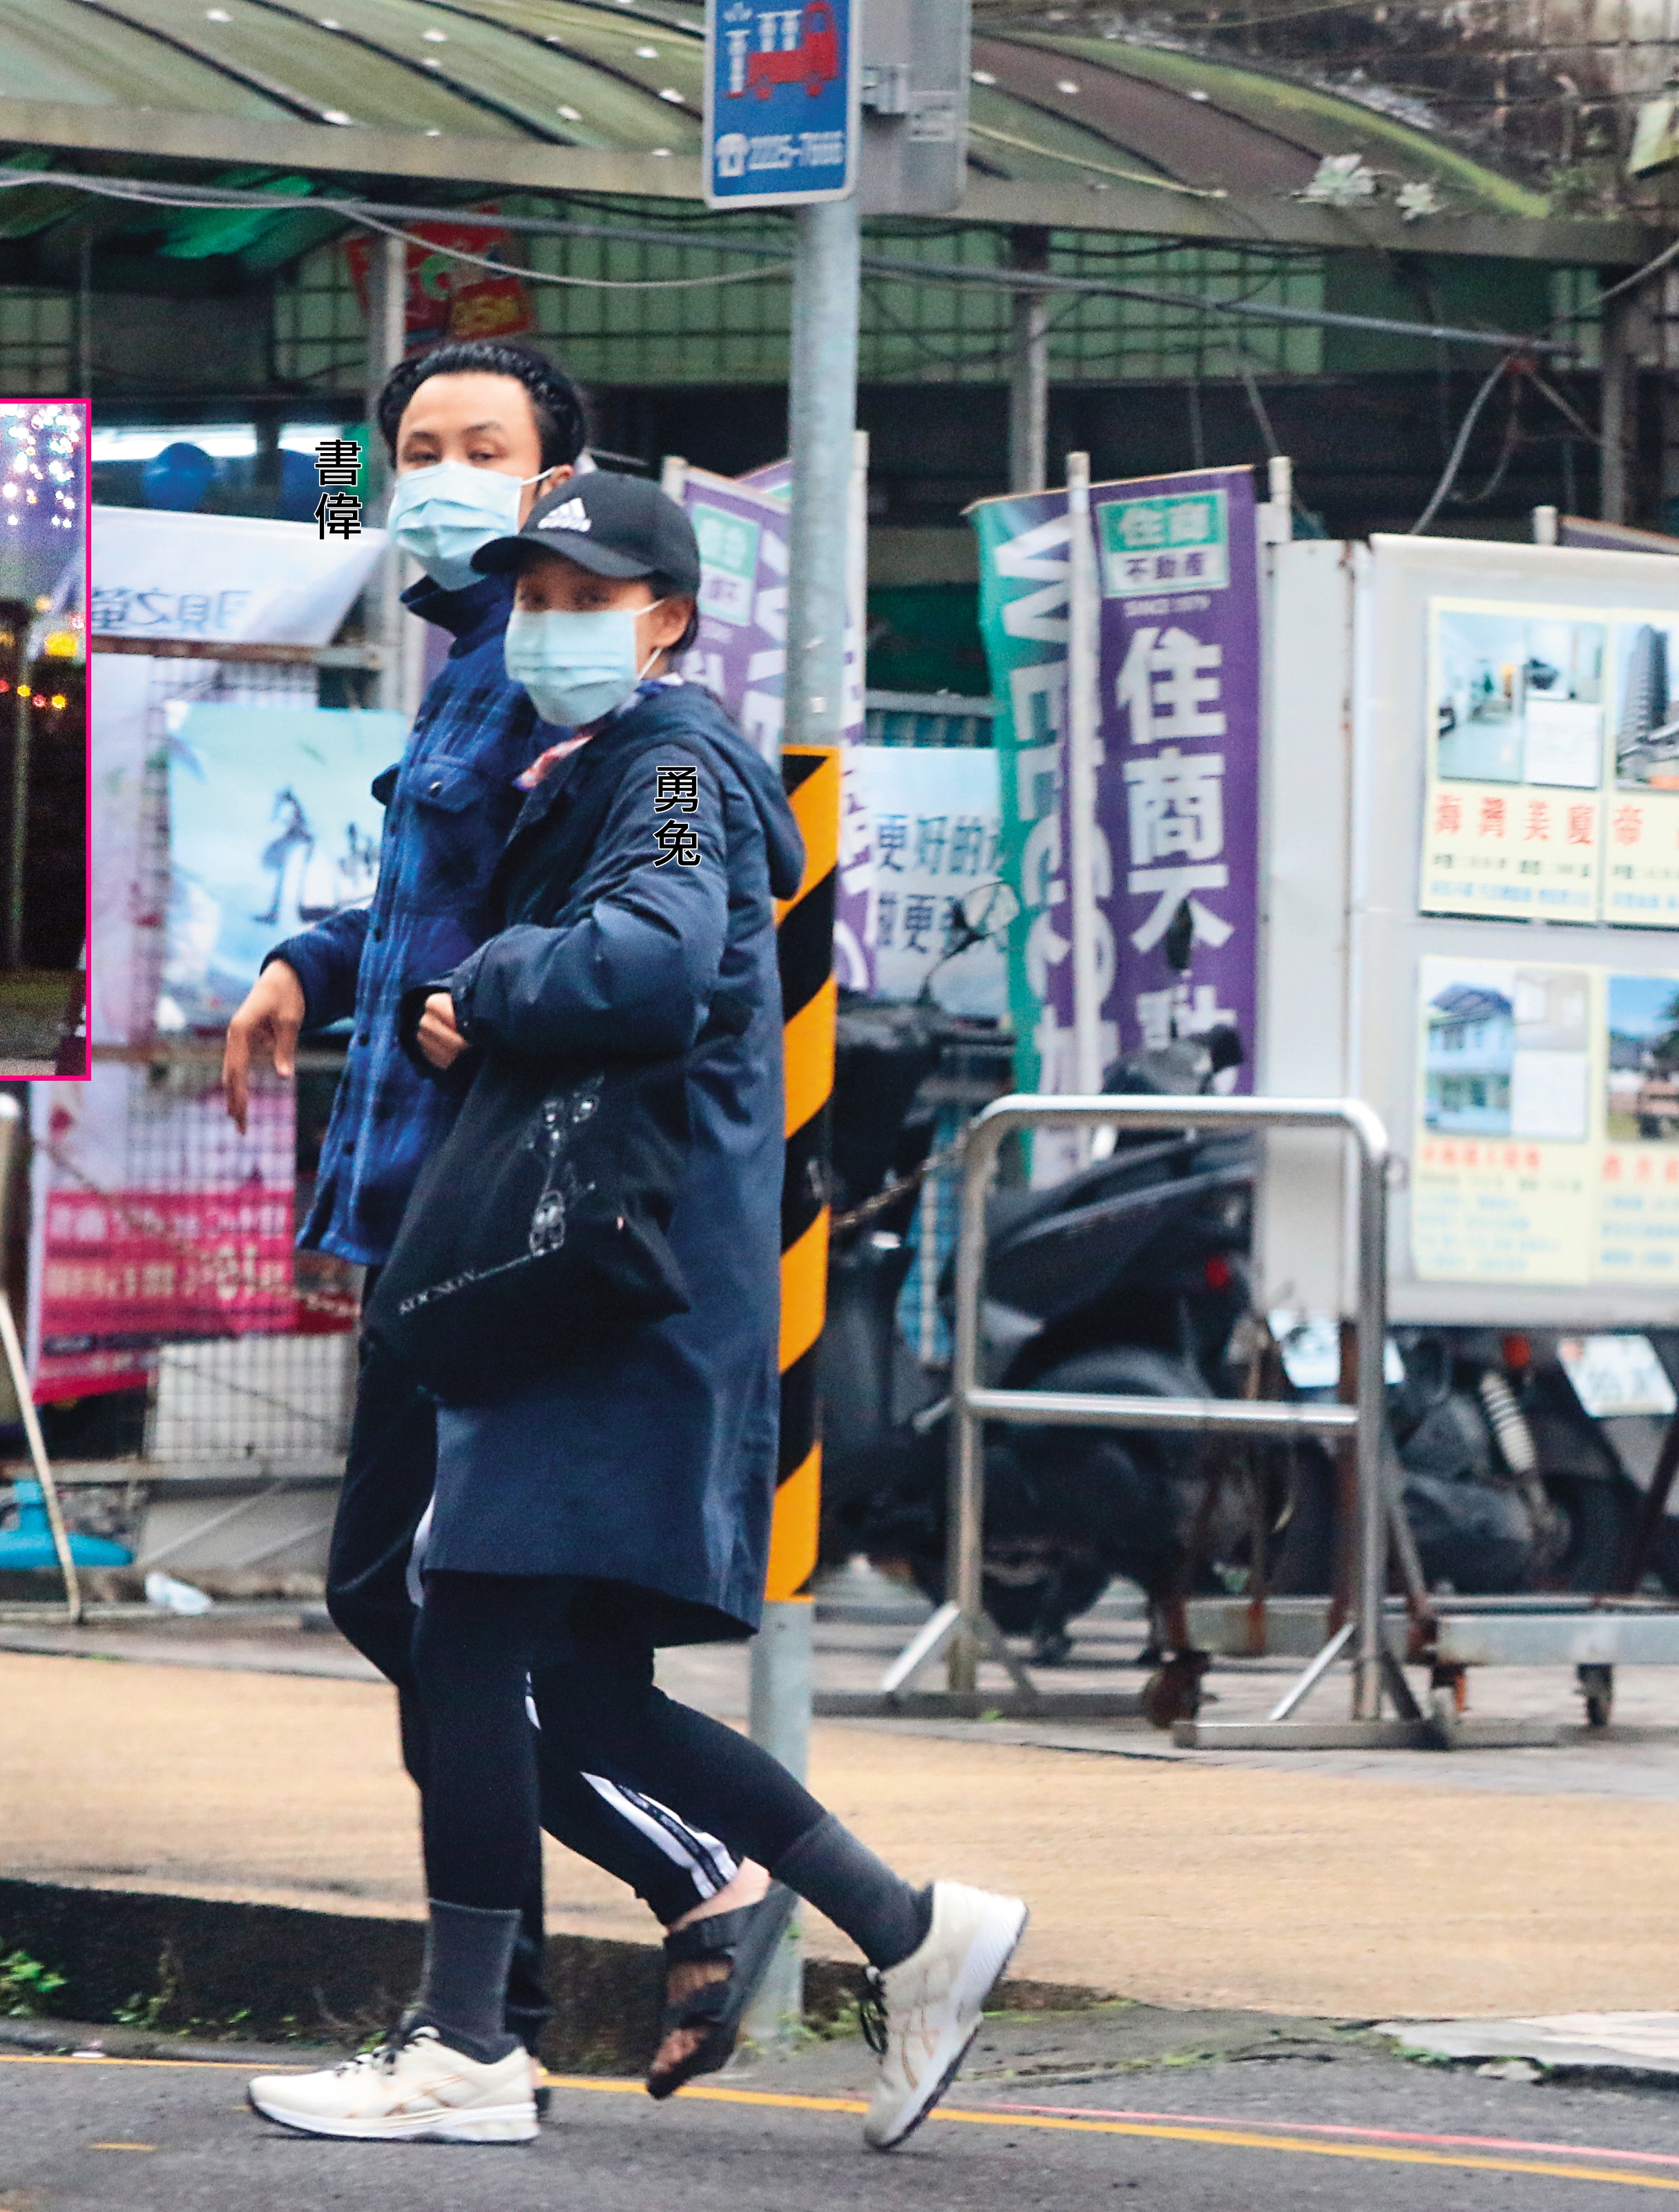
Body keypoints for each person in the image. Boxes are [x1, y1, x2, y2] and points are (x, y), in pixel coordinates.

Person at [246, 474, 1027, 2152]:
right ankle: (911, 1928)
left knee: (464, 1626)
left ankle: (465, 2045)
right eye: (532, 588)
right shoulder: (608, 766)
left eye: (586, 591)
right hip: (631, 1283)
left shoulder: (670, 772)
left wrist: (489, 989)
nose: (547, 617)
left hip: (611, 1291)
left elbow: (657, 960)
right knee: (589, 1692)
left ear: (666, 617)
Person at [226, 344, 795, 2102]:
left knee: (429, 1613)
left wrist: (487, 983)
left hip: (489, 1206)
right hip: (433, 1184)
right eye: (415, 447)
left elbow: (600, 935)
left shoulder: (580, 700)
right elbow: (430, 889)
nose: (445, 470)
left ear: (564, 474)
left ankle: (566, 1968)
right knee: (476, 1629)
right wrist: (307, 960)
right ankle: (508, 2005)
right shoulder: (475, 656)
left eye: (487, 445)